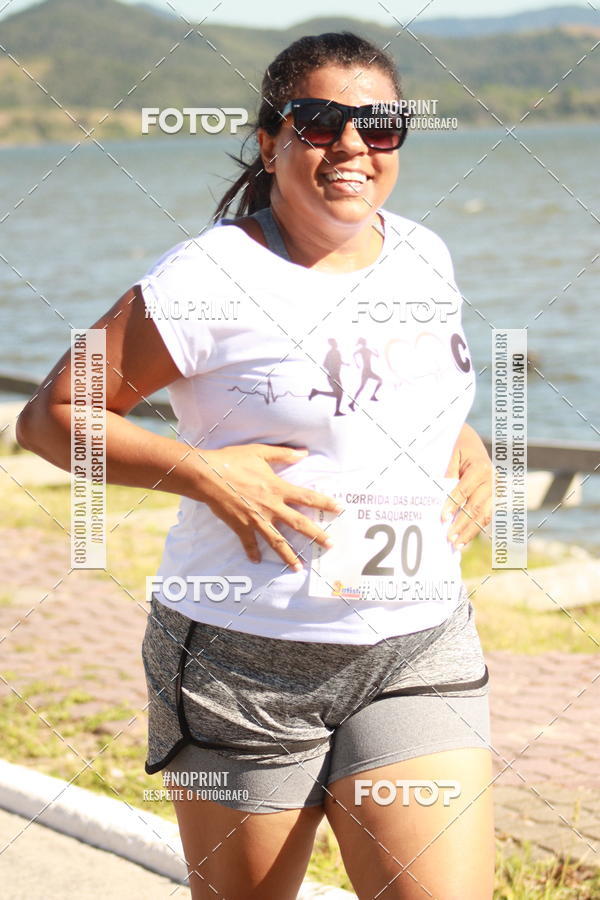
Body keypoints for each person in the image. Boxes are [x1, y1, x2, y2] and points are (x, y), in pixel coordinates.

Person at [16, 31, 495, 900]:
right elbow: (50, 419)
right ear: (271, 138)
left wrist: (463, 444)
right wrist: (204, 471)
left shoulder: (425, 251)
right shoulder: (210, 275)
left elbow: (411, 386)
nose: (351, 145)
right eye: (319, 122)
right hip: (246, 659)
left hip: (419, 641)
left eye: (379, 124)